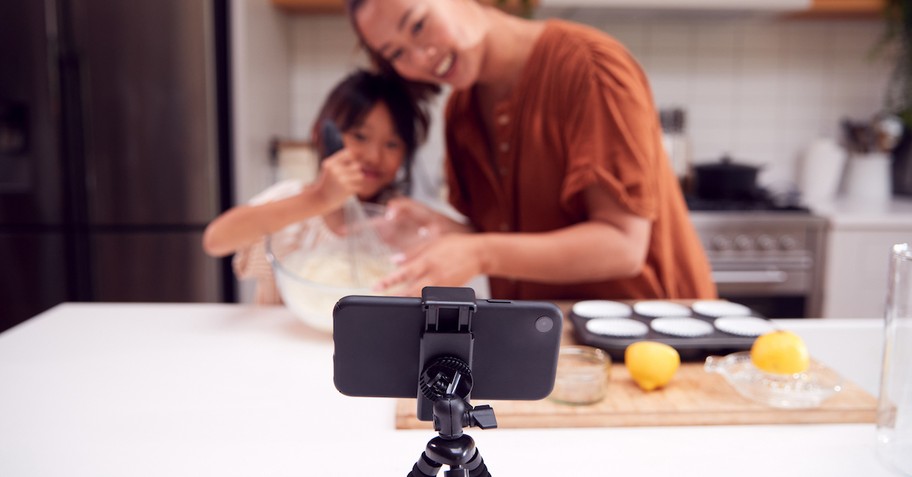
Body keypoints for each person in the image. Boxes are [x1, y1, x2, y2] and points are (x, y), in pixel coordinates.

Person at [346, 0, 717, 300]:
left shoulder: (590, 68)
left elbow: (623, 246)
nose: (420, 57)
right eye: (396, 53)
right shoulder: (461, 112)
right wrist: (447, 232)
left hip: (652, 336)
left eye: (418, 25)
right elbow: (512, 237)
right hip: (553, 336)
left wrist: (479, 253)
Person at [202, 69, 433, 304]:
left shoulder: (398, 220)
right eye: (360, 136)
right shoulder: (294, 200)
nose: (374, 156)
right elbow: (216, 240)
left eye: (392, 144)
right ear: (320, 134)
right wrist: (319, 199)